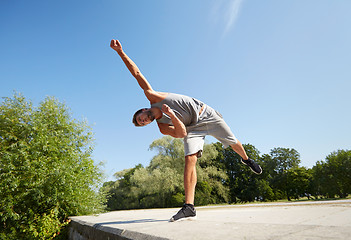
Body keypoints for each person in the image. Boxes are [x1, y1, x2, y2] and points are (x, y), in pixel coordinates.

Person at [110, 39, 262, 222]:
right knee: (190, 158)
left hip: (207, 114)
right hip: (191, 128)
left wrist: (120, 52)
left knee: (233, 142)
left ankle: (246, 160)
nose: (144, 121)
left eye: (141, 118)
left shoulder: (153, 96)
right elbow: (182, 133)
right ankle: (189, 206)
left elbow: (136, 73)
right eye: (143, 124)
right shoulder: (162, 127)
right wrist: (172, 116)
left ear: (143, 110)